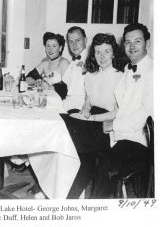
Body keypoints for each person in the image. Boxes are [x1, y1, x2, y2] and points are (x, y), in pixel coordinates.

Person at [91, 23, 153, 198]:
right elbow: (123, 105)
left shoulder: (154, 71)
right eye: (127, 42)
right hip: (122, 134)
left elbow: (145, 113)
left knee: (105, 167)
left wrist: (113, 125)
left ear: (147, 44)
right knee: (83, 142)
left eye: (137, 41)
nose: (132, 46)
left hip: (142, 140)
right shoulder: (128, 68)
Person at [60, 33, 124, 198]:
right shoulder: (90, 74)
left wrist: (92, 118)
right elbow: (88, 101)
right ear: (93, 54)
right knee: (62, 120)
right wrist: (86, 111)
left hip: (108, 125)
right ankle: (69, 197)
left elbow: (119, 112)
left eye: (106, 51)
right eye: (98, 52)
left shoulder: (121, 77)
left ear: (114, 53)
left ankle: (70, 197)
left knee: (77, 147)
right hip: (90, 121)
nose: (102, 56)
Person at [26, 32, 69, 99]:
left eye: (54, 46)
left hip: (58, 101)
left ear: (60, 48)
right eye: (48, 46)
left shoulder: (63, 62)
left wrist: (49, 87)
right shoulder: (45, 62)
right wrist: (37, 82)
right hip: (44, 99)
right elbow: (27, 78)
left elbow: (67, 88)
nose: (50, 49)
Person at [62, 26, 88, 113]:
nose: (74, 45)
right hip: (69, 103)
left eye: (78, 40)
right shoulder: (74, 61)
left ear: (85, 40)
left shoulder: (90, 60)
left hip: (79, 107)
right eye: (71, 41)